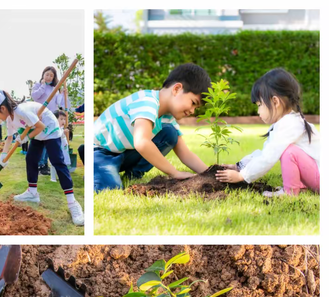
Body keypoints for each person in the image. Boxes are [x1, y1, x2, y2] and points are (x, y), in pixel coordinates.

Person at [93, 63, 211, 192]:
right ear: (176, 89)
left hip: (123, 154)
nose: (193, 111)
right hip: (100, 152)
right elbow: (142, 142)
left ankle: (133, 174)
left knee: (170, 134)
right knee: (109, 188)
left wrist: (210, 174)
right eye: (193, 103)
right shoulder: (147, 102)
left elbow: (185, 153)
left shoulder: (168, 118)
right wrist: (175, 173)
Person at [0, 90, 84, 226]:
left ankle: (72, 203)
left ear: (2, 108)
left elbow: (41, 126)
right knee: (31, 159)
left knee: (57, 162)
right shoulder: (9, 119)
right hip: (37, 133)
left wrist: (26, 137)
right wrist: (4, 155)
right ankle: (32, 192)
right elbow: (9, 137)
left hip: (49, 129)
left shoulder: (22, 111)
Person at [215, 68, 320, 197]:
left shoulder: (289, 125)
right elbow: (264, 152)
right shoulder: (286, 124)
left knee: (289, 152)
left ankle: (290, 192)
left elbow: (267, 158)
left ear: (275, 102)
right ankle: (300, 186)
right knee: (289, 151)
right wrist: (239, 166)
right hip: (317, 176)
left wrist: (242, 175)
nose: (258, 111)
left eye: (259, 105)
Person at [31, 66, 69, 174]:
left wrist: (63, 95)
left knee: (49, 142)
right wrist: (43, 86)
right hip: (39, 116)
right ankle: (39, 165)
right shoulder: (38, 85)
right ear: (43, 74)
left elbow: (59, 102)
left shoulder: (54, 89)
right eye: (47, 74)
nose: (49, 77)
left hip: (51, 117)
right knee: (40, 141)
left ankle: (44, 165)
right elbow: (34, 96)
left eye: (51, 75)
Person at [50, 111, 72, 182]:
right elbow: (58, 134)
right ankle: (53, 177)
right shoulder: (55, 128)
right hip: (56, 148)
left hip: (63, 148)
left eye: (64, 119)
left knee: (62, 162)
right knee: (54, 162)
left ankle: (60, 176)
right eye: (61, 119)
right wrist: (63, 132)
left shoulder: (62, 128)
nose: (63, 121)